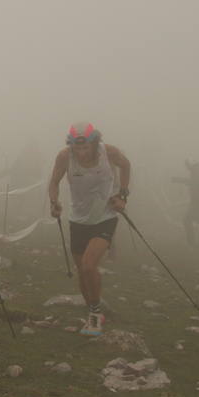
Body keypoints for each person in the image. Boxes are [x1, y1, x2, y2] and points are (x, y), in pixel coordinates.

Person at [48, 122, 131, 337]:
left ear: (95, 143)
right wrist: (54, 202)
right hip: (78, 219)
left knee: (88, 265)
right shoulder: (65, 157)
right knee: (82, 273)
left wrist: (122, 195)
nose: (82, 153)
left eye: (86, 148)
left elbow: (126, 165)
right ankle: (92, 308)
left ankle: (95, 315)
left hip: (105, 216)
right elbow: (54, 181)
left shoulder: (108, 152)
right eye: (78, 148)